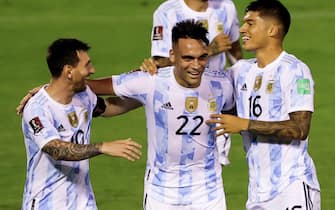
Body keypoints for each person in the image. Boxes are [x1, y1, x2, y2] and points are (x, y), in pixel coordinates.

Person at [87, 20, 235, 210]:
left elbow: (235, 111)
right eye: (188, 58)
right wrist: (48, 90)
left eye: (202, 57)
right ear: (172, 56)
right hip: (162, 194)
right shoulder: (152, 81)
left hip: (208, 193)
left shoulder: (220, 84)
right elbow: (93, 86)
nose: (196, 65)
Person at [206, 0, 321, 209]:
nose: (242, 29)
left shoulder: (295, 71)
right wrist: (206, 52)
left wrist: (245, 125)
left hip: (292, 188)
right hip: (257, 195)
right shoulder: (240, 71)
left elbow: (299, 128)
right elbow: (194, 80)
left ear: (272, 30)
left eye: (250, 23)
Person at [21, 38, 142, 210]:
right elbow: (55, 149)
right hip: (46, 203)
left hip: (83, 203)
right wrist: (102, 147)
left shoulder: (83, 96)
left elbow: (110, 107)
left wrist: (147, 90)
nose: (92, 70)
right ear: (69, 71)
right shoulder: (37, 109)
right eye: (87, 65)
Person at [143, 0, 242, 74]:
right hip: (181, 92)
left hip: (217, 91)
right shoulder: (167, 12)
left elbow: (235, 51)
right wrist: (208, 51)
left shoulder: (226, 7)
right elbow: (161, 63)